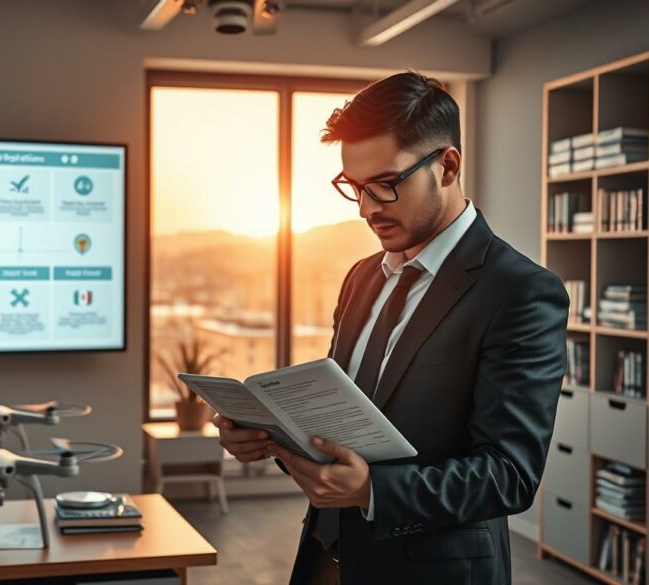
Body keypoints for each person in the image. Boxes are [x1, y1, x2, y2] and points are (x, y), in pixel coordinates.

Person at [213, 71, 569, 585]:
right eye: (353, 188)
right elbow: (339, 428)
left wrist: (373, 491)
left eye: (385, 185)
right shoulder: (361, 278)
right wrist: (271, 440)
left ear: (448, 166)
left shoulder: (520, 292)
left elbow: (509, 476)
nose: (366, 208)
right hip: (325, 557)